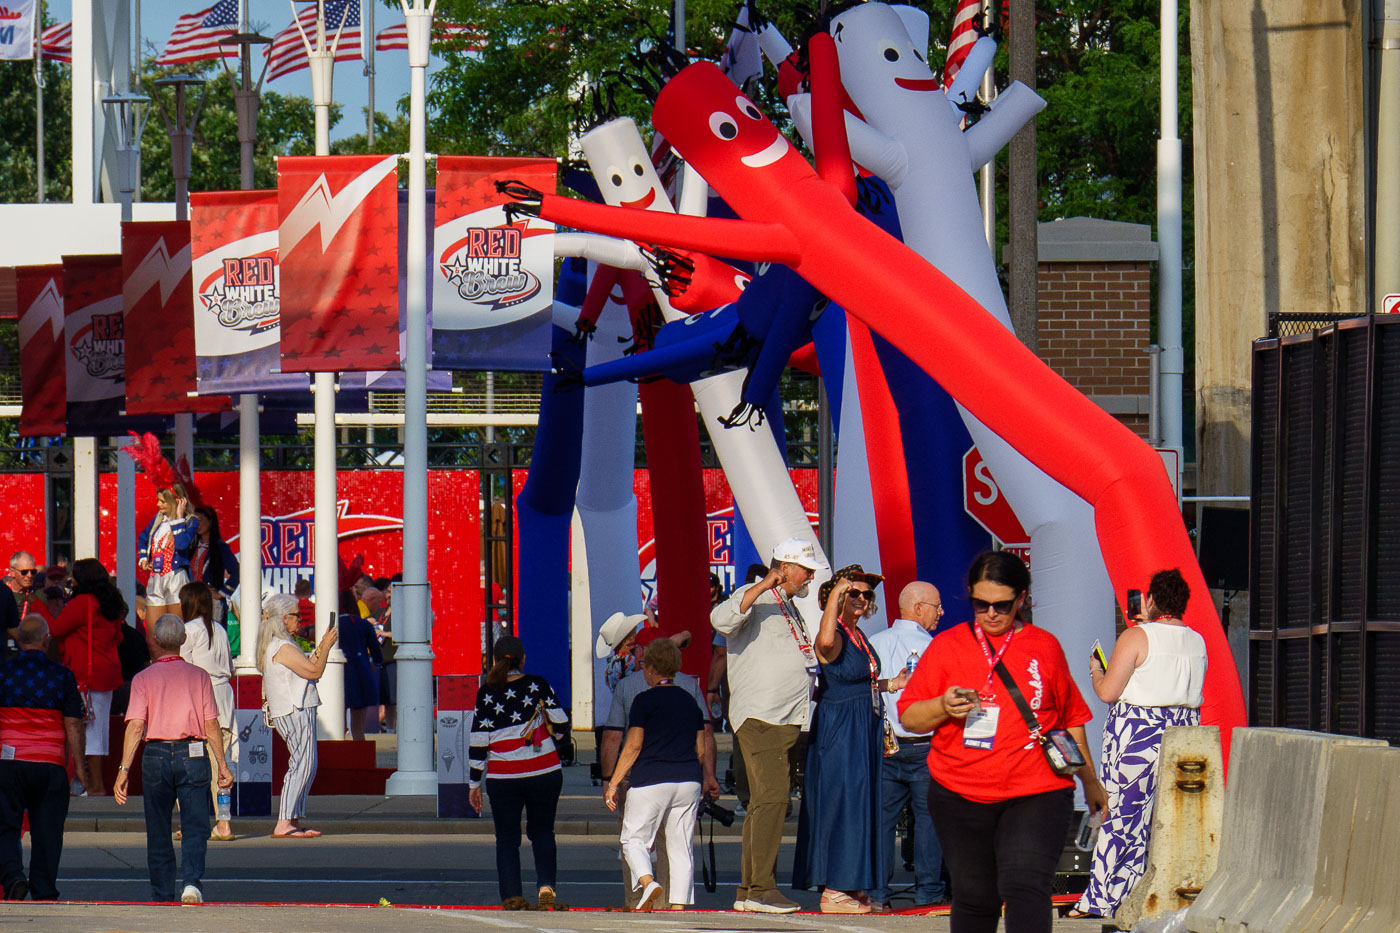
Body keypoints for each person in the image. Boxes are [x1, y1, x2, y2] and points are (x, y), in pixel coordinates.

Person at [898, 551, 1107, 933]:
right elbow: (909, 717)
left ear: (1022, 599)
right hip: (959, 790)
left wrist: (1090, 781)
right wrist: (943, 706)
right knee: (975, 896)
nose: (991, 614)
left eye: (1002, 605)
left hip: (1036, 790)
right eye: (981, 604)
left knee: (1024, 885)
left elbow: (1071, 717)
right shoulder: (947, 646)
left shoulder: (1044, 646)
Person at [1072, 568, 1207, 920]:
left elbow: (1107, 693)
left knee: (1121, 816)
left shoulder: (1137, 636)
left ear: (1150, 600)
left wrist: (1095, 670)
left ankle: (1102, 899)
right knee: (1169, 820)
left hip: (1139, 733)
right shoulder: (1197, 640)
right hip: (1183, 732)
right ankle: (1152, 895)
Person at [710, 536, 829, 914]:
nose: (809, 577)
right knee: (774, 799)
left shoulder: (787, 604)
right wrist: (764, 583)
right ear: (786, 568)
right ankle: (762, 889)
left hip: (784, 716)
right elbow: (720, 619)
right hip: (763, 715)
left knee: (765, 802)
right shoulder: (756, 593)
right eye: (805, 570)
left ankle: (750, 890)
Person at [793, 565, 899, 913]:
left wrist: (892, 684)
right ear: (836, 597)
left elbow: (859, 681)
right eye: (854, 593)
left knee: (861, 802)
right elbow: (824, 645)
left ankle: (851, 884)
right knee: (843, 802)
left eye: (867, 594)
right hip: (841, 727)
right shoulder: (834, 631)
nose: (862, 599)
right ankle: (834, 888)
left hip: (861, 725)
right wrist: (838, 591)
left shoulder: (858, 634)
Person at [113, 613, 233, 904]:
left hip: (155, 753)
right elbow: (211, 724)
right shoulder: (199, 676)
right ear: (183, 640)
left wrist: (123, 768)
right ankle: (191, 882)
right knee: (195, 825)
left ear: (154, 640)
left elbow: (136, 725)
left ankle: (162, 891)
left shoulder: (143, 679)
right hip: (191, 752)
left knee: (157, 827)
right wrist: (222, 763)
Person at [601, 628, 720, 908]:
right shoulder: (690, 700)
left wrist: (614, 782)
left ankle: (647, 882)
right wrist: (701, 773)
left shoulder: (643, 699)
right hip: (687, 780)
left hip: (651, 779)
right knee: (680, 846)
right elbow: (702, 746)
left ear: (652, 669)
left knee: (633, 839)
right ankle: (679, 905)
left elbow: (632, 746)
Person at [469, 636, 570, 911]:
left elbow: (479, 741)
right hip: (544, 772)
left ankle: (512, 895)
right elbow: (561, 722)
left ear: (494, 660)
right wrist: (558, 734)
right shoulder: (538, 684)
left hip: (504, 777)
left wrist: (474, 783)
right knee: (542, 831)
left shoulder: (486, 691)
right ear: (523, 659)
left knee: (507, 839)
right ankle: (546, 886)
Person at [867, 580, 949, 911]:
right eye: (936, 606)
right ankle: (928, 892)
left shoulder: (875, 642)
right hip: (925, 743)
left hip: (885, 742)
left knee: (883, 822)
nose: (941, 612)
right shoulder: (934, 648)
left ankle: (878, 893)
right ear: (918, 609)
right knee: (929, 820)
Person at [0, 616, 87, 900]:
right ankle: (44, 887)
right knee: (48, 831)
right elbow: (73, 724)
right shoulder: (62, 675)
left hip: (9, 764)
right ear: (46, 640)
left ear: (19, 641)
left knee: (5, 825)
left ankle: (13, 876)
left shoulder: (3, 672)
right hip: (50, 765)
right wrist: (80, 768)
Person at [256, 592, 338, 838]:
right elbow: (314, 671)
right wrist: (326, 647)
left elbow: (306, 668)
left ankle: (291, 819)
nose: (300, 620)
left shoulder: (280, 644)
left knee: (306, 763)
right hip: (294, 709)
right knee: (302, 763)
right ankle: (284, 822)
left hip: (294, 708)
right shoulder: (281, 645)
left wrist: (322, 645)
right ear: (284, 618)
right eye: (296, 616)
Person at [49, 558, 127, 798]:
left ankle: (92, 785)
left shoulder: (82, 602)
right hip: (106, 674)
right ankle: (95, 784)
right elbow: (118, 638)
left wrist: (43, 608)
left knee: (86, 733)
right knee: (98, 732)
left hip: (85, 675)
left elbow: (57, 629)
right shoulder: (109, 603)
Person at [178, 581, 235, 841]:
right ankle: (223, 822)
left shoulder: (189, 629)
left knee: (190, 766)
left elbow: (183, 669)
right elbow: (230, 668)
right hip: (224, 698)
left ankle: (191, 821)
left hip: (200, 697)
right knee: (221, 766)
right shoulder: (220, 630)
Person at [137, 486, 196, 628]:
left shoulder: (190, 521)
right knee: (153, 633)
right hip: (156, 577)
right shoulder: (158, 519)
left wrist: (178, 518)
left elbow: (182, 545)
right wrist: (144, 560)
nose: (158, 505)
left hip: (175, 577)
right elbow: (143, 538)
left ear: (175, 501)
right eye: (158, 501)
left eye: (162, 501)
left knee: (177, 629)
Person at [337, 588, 383, 740]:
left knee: (337, 725)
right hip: (361, 673)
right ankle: (361, 759)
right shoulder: (364, 625)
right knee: (358, 728)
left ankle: (338, 757)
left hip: (338, 675)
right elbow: (376, 653)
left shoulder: (333, 625)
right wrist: (375, 663)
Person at [190, 506, 239, 627]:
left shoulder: (220, 547)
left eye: (200, 520)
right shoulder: (191, 547)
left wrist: (222, 593)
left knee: (212, 636)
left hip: (210, 601)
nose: (198, 525)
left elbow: (236, 572)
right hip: (192, 599)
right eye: (194, 521)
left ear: (210, 521)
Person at [596, 611, 647, 696]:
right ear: (626, 641)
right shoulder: (632, 662)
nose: (637, 636)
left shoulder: (610, 666)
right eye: (634, 633)